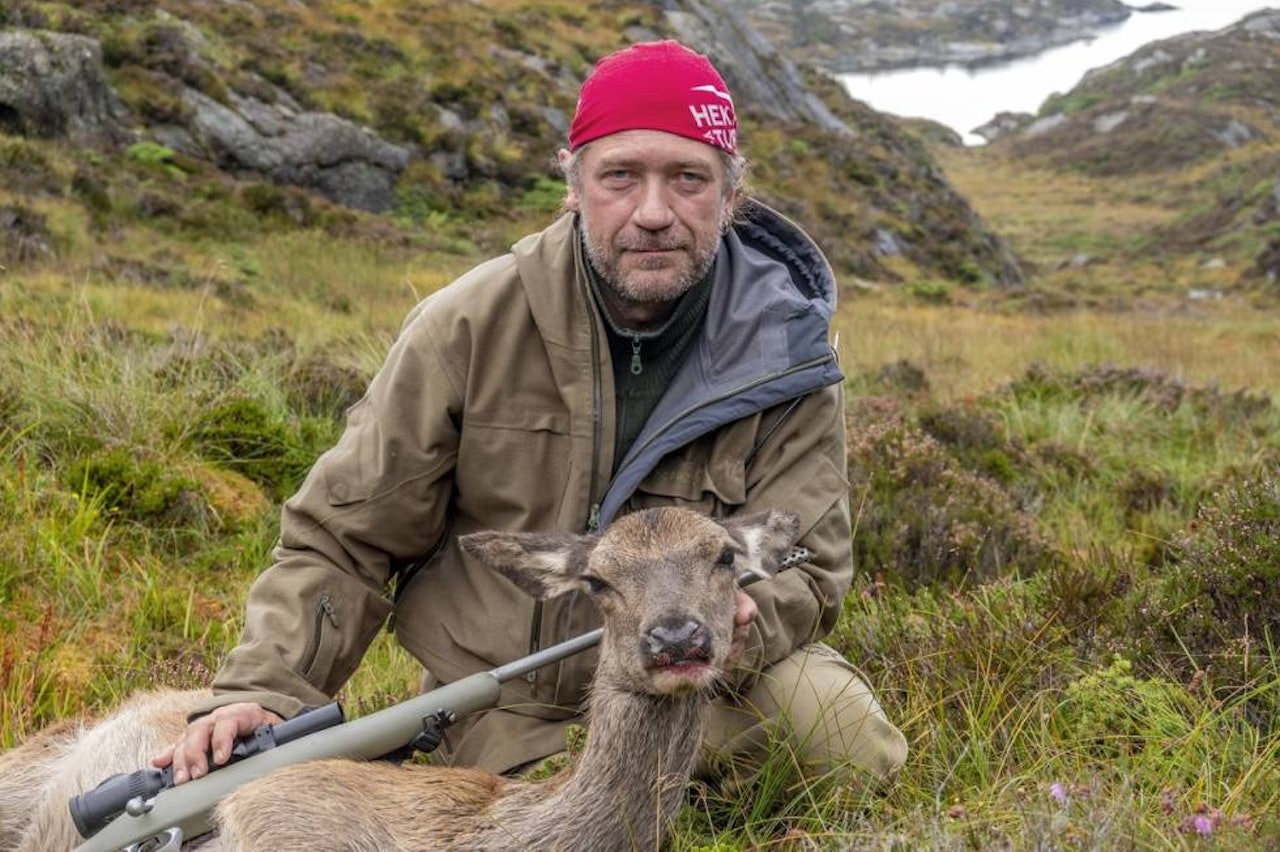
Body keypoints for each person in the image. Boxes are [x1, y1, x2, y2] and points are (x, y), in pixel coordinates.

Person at [155, 39, 907, 789]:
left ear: (731, 195)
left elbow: (807, 564)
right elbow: (341, 540)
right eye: (620, 177)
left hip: (701, 686)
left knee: (839, 738)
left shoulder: (790, 357)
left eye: (688, 179)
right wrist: (267, 692)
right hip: (506, 711)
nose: (653, 213)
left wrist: (734, 624)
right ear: (573, 186)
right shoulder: (467, 327)